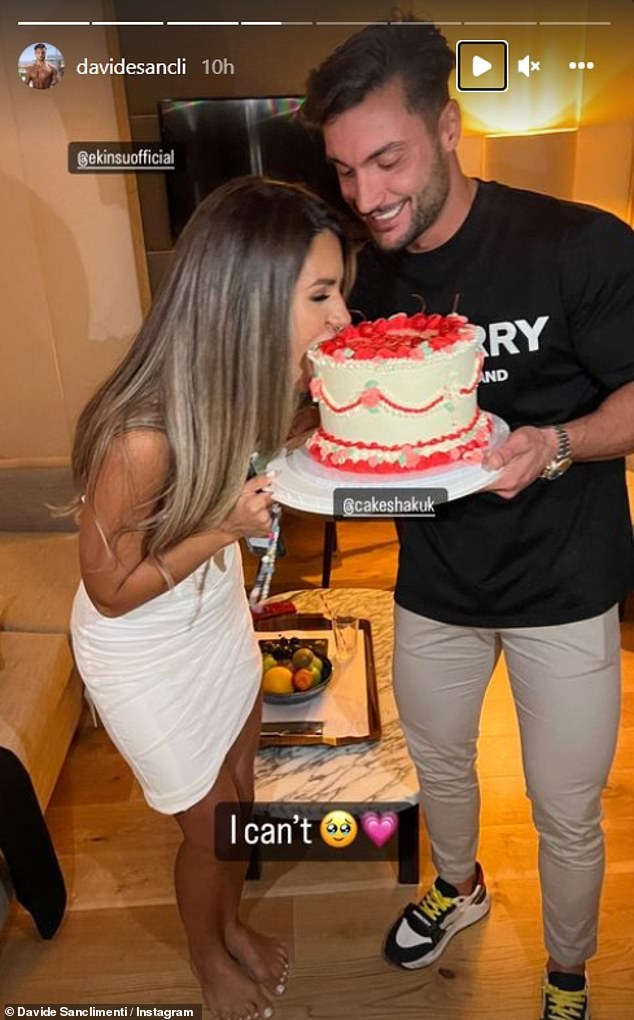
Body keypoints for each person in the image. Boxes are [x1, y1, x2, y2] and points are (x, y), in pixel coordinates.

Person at [303, 22, 634, 1020]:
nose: (366, 196)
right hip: (434, 585)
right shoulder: (361, 275)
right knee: (440, 762)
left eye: (387, 159)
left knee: (565, 812)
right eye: (344, 170)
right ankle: (458, 885)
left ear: (448, 127)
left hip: (563, 585)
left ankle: (568, 971)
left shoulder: (578, 243)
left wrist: (556, 444)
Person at [69, 176, 351, 1020]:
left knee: (241, 790)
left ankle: (231, 925)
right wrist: (226, 529)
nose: (342, 317)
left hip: (211, 615)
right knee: (210, 826)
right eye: (322, 295)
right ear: (250, 303)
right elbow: (109, 591)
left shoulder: (243, 387)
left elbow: (282, 442)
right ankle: (209, 953)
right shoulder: (141, 435)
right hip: (142, 650)